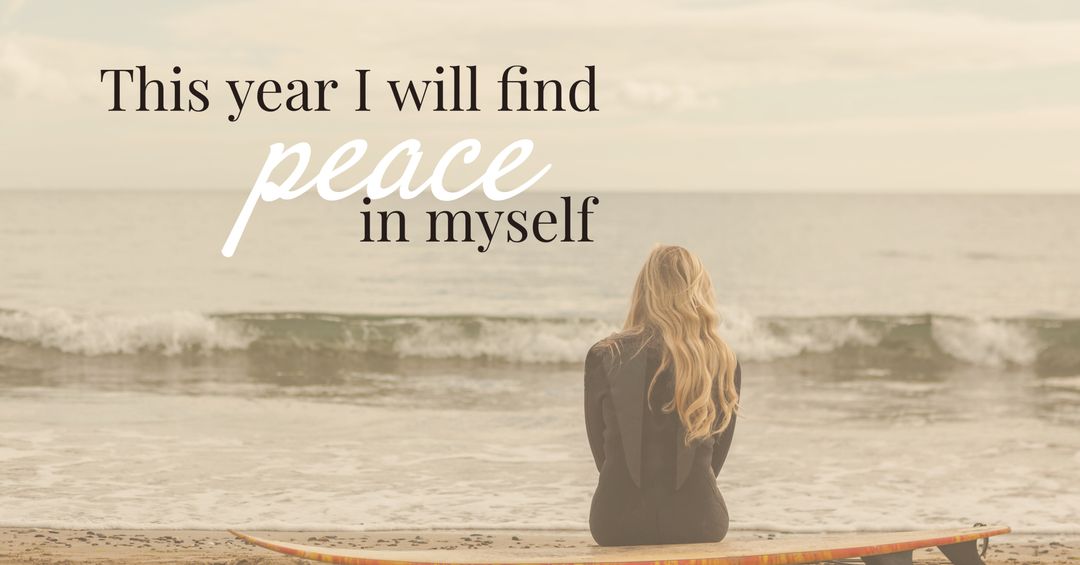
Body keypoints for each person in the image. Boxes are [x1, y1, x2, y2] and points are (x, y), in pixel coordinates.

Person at [584, 245, 741, 546]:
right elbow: (714, 463)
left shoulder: (604, 355)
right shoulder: (722, 360)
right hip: (700, 521)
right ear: (700, 292)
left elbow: (602, 455)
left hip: (615, 523)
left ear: (643, 291)